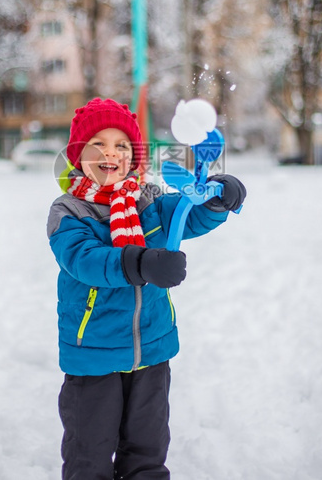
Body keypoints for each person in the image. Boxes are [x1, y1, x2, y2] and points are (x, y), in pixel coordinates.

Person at [47, 97, 246, 480]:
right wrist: (141, 263)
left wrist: (218, 198)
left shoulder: (147, 201)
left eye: (121, 145)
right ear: (77, 155)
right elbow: (84, 260)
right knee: (89, 453)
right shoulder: (69, 211)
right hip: (95, 355)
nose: (111, 153)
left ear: (133, 157)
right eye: (98, 144)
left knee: (148, 449)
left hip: (152, 350)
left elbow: (189, 213)